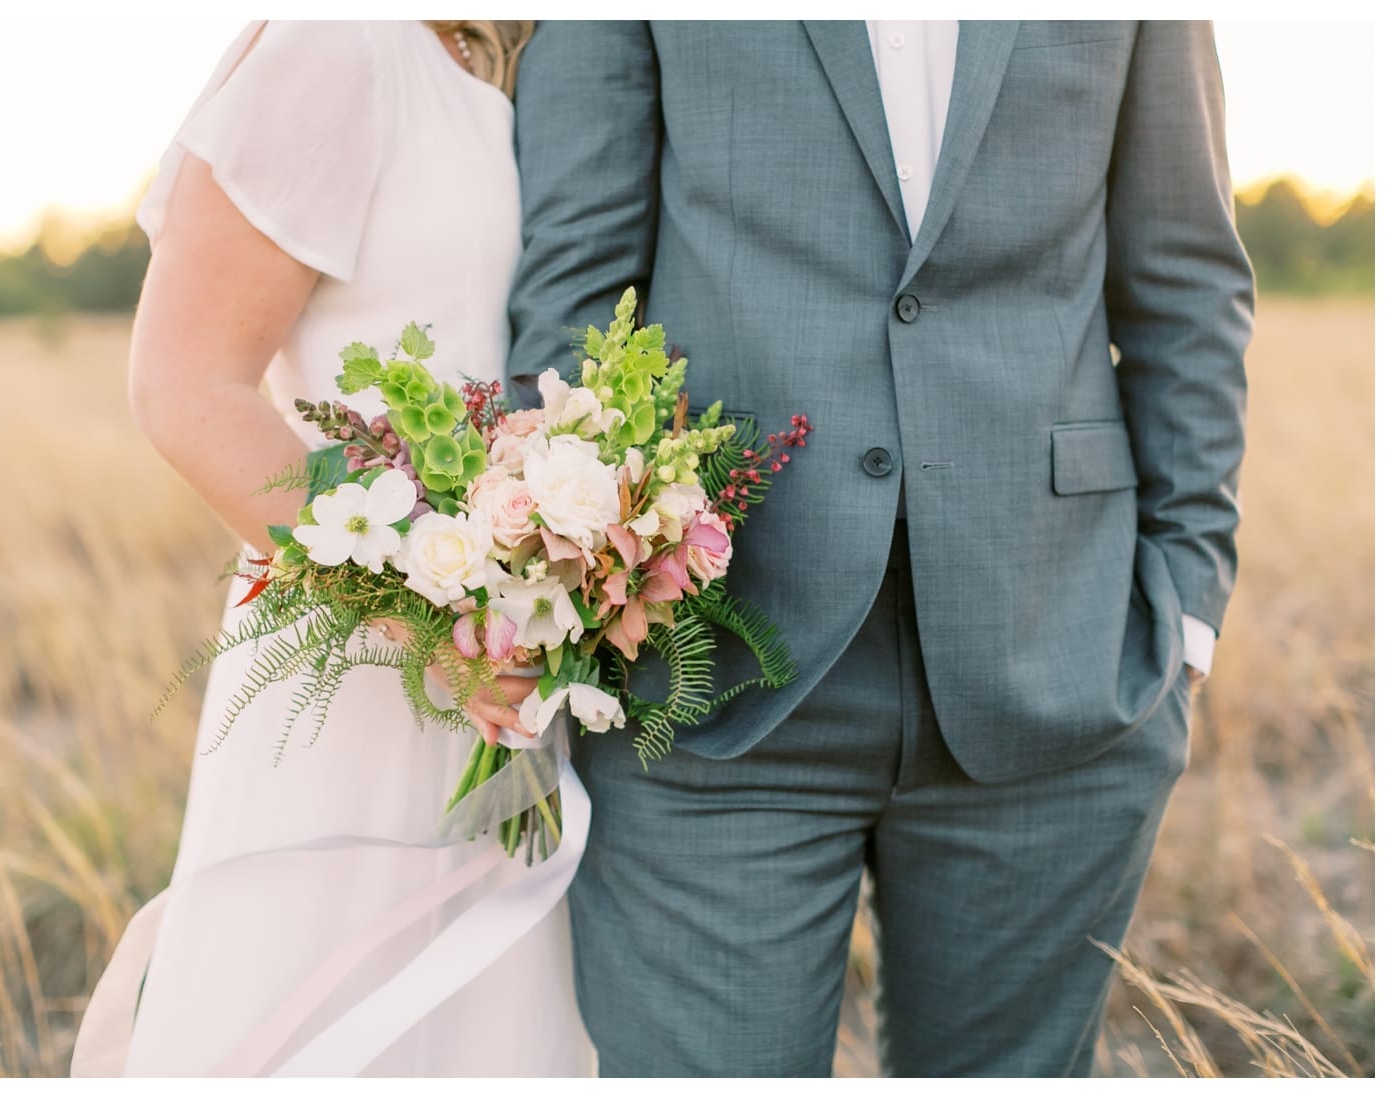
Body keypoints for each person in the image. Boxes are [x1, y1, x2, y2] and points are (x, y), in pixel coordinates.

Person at [508, 20, 1253, 1077]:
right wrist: (566, 591)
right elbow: (572, 293)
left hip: (1059, 662)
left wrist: (1185, 607)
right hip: (705, 677)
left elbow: (1185, 281)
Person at [70, 20, 594, 1077]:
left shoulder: (519, 68)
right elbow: (185, 385)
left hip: (514, 659)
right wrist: (425, 620)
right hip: (362, 663)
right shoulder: (337, 43)